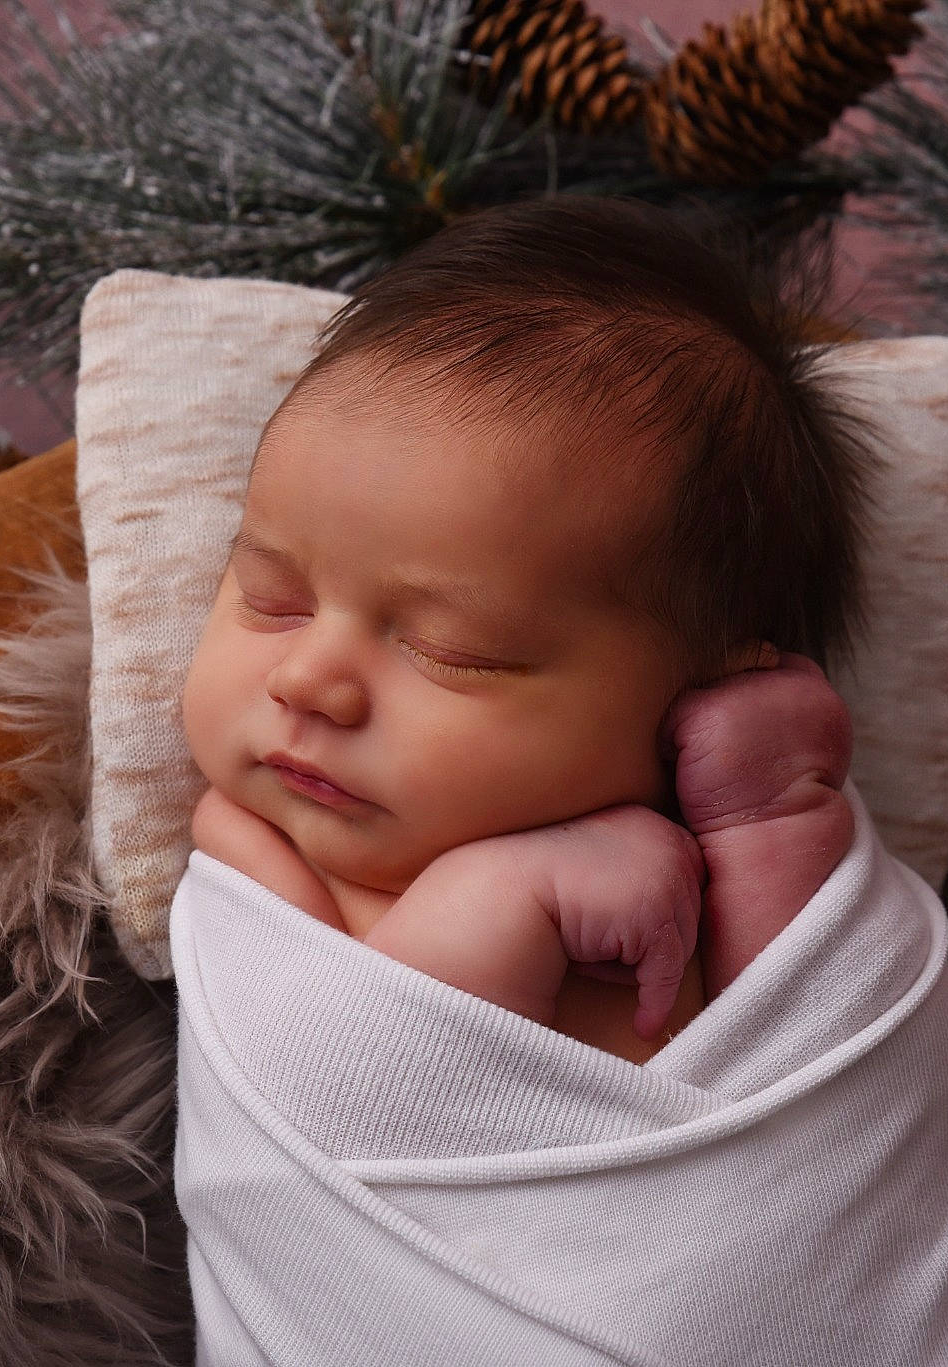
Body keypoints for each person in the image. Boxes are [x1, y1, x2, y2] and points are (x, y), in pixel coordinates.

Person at [177, 193, 876, 1064]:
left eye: (449, 651)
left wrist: (766, 825)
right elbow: (339, 1080)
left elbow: (824, 1063)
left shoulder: (737, 891)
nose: (307, 679)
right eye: (271, 596)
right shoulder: (257, 847)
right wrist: (507, 897)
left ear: (710, 694)